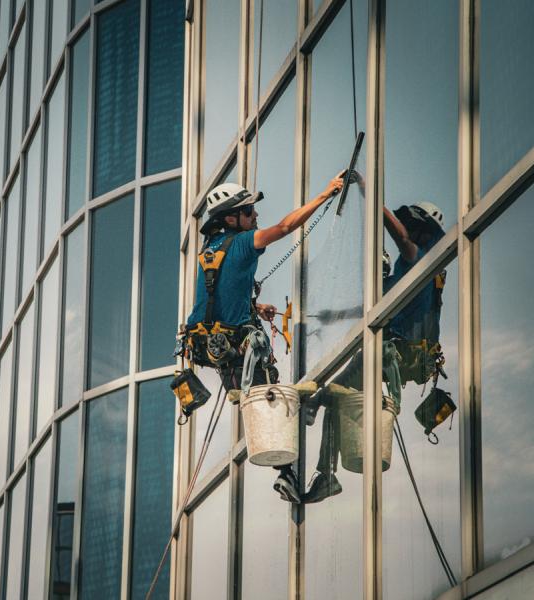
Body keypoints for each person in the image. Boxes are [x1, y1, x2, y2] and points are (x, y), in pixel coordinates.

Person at [181, 174, 346, 503]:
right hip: (238, 348)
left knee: (264, 398)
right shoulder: (242, 242)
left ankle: (290, 461)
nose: (256, 217)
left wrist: (254, 306)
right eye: (249, 211)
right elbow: (286, 227)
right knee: (273, 400)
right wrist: (325, 195)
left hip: (212, 348)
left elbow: (216, 299)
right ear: (232, 218)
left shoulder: (210, 251)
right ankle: (288, 473)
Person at [303, 200, 447, 503]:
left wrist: (370, 197)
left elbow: (403, 240)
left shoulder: (419, 260)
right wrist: (334, 315)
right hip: (397, 355)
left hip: (395, 353)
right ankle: (326, 473)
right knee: (335, 400)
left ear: (421, 231)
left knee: (337, 385)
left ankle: (316, 401)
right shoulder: (409, 276)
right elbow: (372, 305)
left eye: (411, 226)